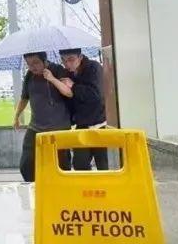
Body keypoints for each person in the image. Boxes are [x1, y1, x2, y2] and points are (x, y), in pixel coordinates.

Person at [14, 51, 74, 182]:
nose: (32, 67)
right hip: (36, 127)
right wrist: (17, 116)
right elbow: (24, 98)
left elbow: (68, 93)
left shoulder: (58, 70)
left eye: (35, 63)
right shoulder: (29, 76)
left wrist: (52, 79)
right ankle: (34, 188)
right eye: (29, 64)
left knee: (62, 165)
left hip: (59, 127)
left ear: (44, 60)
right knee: (26, 164)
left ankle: (62, 191)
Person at [59, 48, 108, 171]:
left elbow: (96, 95)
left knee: (102, 163)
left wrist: (73, 86)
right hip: (82, 124)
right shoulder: (68, 73)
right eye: (64, 61)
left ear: (80, 57)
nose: (67, 64)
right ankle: (87, 187)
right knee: (80, 163)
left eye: (71, 60)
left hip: (99, 122)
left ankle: (103, 187)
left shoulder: (93, 68)